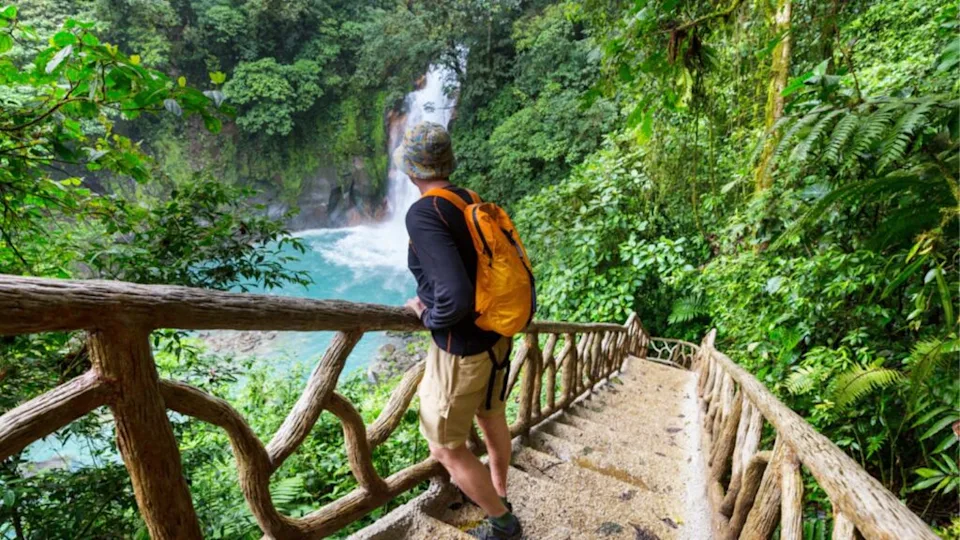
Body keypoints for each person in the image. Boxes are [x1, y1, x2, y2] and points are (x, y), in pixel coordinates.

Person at [398, 121, 523, 540]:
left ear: (411, 169)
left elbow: (454, 294)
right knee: (491, 417)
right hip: (497, 338)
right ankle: (500, 491)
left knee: (446, 447)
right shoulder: (467, 199)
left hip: (462, 350)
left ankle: (503, 523)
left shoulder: (423, 212)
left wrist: (426, 316)